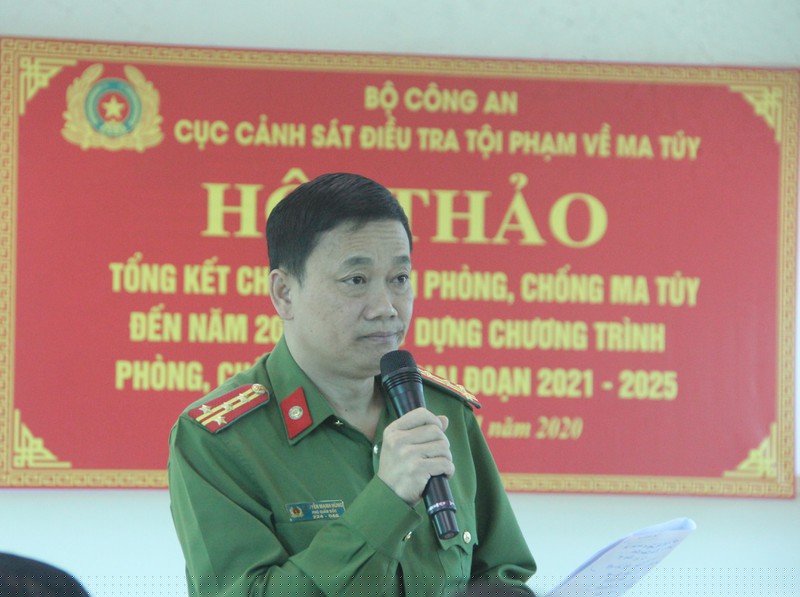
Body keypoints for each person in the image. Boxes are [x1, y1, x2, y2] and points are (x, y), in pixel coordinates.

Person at [168, 172, 536, 596]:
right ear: (284, 293)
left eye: (399, 279)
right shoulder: (219, 441)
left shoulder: (440, 411)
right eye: (356, 280)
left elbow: (500, 573)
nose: (386, 308)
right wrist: (387, 501)